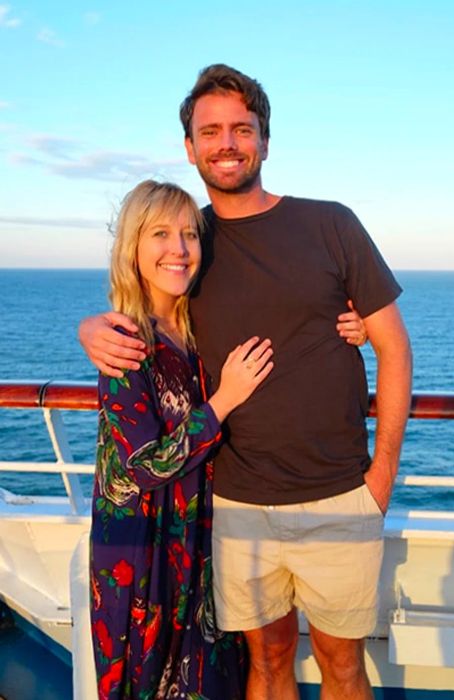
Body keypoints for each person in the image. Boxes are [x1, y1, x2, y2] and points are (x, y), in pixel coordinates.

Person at [81, 65, 412, 700]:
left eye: (241, 128)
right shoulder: (190, 241)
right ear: (190, 147)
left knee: (345, 667)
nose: (226, 142)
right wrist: (90, 326)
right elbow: (149, 299)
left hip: (340, 493)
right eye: (210, 131)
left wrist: (381, 478)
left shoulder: (331, 224)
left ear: (265, 138)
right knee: (266, 664)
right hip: (235, 506)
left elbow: (394, 346)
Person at [90, 179, 275, 699]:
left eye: (190, 234)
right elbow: (145, 465)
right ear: (133, 248)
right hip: (144, 554)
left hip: (196, 543)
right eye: (160, 234)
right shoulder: (125, 342)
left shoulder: (198, 328)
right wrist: (225, 399)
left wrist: (350, 322)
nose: (178, 248)